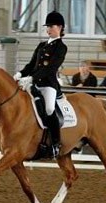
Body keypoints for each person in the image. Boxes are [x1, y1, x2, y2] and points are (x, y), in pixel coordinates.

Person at [13, 11, 67, 158]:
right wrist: (20, 74)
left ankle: (56, 143)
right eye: (47, 26)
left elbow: (51, 68)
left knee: (49, 109)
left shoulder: (61, 47)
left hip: (48, 85)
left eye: (51, 26)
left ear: (60, 27)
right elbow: (32, 64)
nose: (48, 29)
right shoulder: (41, 45)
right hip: (34, 84)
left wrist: (31, 78)